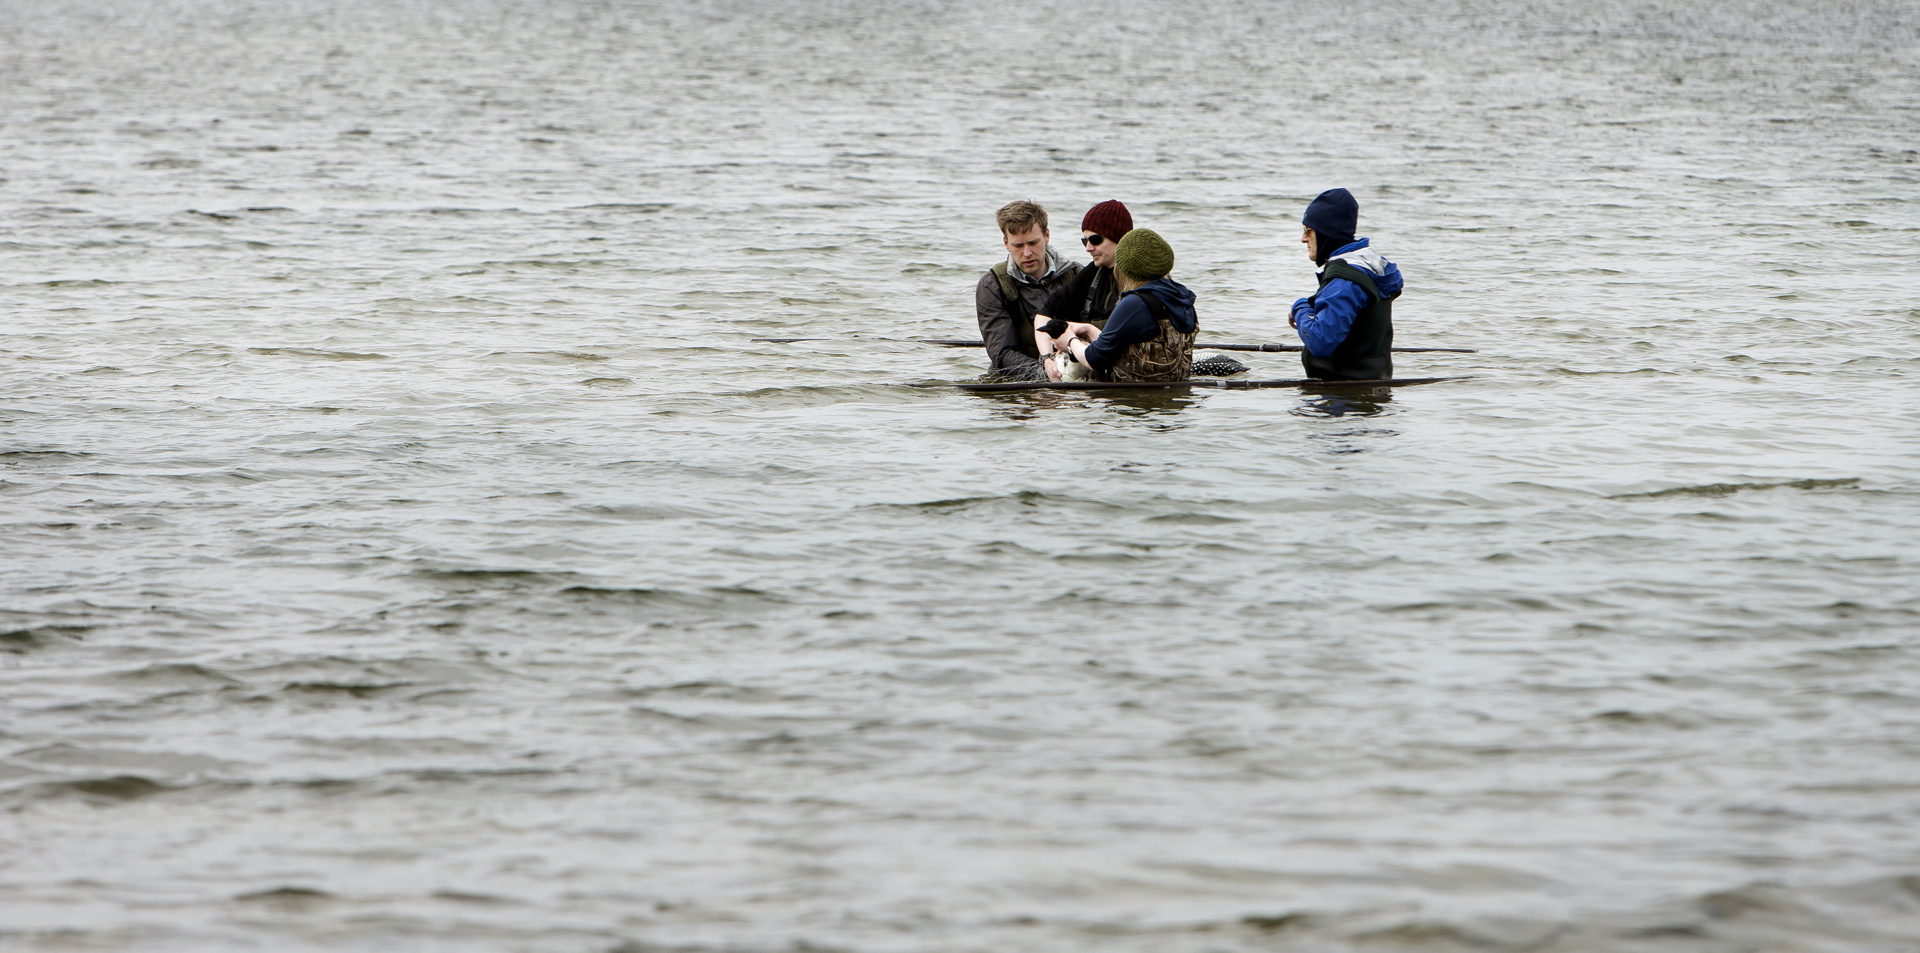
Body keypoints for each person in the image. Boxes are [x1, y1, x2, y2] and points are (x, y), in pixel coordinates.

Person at [1289, 188, 1404, 381]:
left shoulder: (1344, 280)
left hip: (1341, 393)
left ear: (1326, 233)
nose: (1303, 239)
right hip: (1372, 387)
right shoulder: (1369, 266)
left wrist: (1299, 307)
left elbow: (1320, 342)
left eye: (1308, 231)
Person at [1056, 228, 1196, 382]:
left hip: (1132, 395)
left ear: (1125, 267)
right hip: (1176, 392)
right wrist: (1089, 330)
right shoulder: (1182, 297)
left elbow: (1094, 359)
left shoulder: (1134, 304)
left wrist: (1069, 340)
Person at [975, 201, 1079, 378]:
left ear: (1046, 236)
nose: (1027, 253)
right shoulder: (991, 286)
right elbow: (1002, 353)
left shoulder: (1077, 275)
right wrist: (1046, 373)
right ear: (1006, 243)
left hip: (1074, 369)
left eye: (1033, 243)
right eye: (1018, 246)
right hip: (1019, 378)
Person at [1031, 199, 1133, 356]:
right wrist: (1047, 359)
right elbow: (1046, 312)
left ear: (1119, 238)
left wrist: (1076, 343)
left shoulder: (1138, 281)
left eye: (1095, 240)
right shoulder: (1094, 271)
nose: (1088, 248)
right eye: (1085, 241)